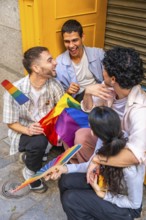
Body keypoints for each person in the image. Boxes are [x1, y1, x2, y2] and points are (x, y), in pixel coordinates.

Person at [45, 106, 144, 220]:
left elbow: (134, 204)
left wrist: (103, 195)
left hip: (126, 208)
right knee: (65, 180)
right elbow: (90, 165)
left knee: (71, 199)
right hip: (107, 184)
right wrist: (64, 168)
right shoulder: (104, 140)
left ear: (93, 132)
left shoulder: (129, 167)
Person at [3, 46, 64, 193]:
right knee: (39, 142)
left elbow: (63, 110)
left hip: (47, 127)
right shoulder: (17, 90)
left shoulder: (54, 85)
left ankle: (33, 155)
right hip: (24, 131)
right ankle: (30, 173)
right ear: (36, 68)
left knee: (57, 137)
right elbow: (11, 122)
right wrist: (28, 130)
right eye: (50, 60)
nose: (55, 62)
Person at [71, 46, 146, 165]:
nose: (102, 72)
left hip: (124, 147)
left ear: (113, 78)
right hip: (108, 139)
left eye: (104, 69)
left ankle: (103, 176)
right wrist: (87, 93)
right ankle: (91, 174)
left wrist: (97, 160)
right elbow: (88, 109)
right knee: (81, 136)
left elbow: (136, 155)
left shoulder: (141, 111)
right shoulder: (110, 88)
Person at [56, 19, 111, 102]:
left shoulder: (98, 54)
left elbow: (109, 79)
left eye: (75, 40)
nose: (71, 45)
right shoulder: (59, 63)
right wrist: (68, 91)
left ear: (83, 37)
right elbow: (58, 98)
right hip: (79, 99)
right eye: (67, 41)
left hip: (100, 93)